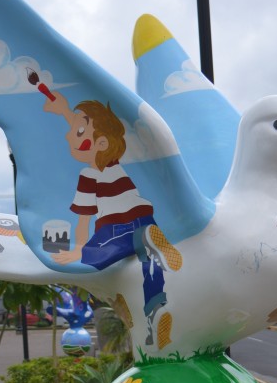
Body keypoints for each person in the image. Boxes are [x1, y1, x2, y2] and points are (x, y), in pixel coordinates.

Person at [43, 92, 181, 349]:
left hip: (116, 229)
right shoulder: (116, 164)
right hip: (145, 219)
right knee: (150, 269)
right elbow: (90, 127)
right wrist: (64, 110)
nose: (68, 136)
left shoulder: (89, 175)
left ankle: (136, 304)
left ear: (102, 144)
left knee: (91, 260)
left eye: (78, 132)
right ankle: (154, 315)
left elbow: (84, 218)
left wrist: (78, 251)